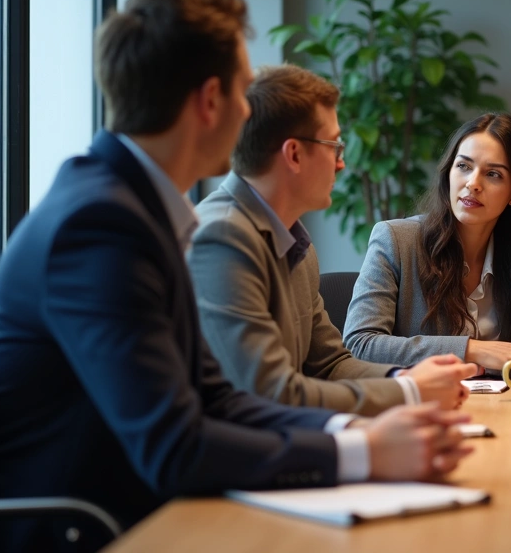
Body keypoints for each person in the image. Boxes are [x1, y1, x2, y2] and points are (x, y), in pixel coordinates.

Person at [0, 0, 472, 552]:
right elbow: (173, 446)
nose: (248, 110)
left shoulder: (134, 210)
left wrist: (365, 435)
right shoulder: (101, 227)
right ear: (210, 100)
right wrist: (361, 451)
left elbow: (220, 399)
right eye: (241, 89)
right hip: (88, 531)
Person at [188, 64, 475, 415]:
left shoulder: (296, 243)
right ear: (293, 154)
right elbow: (268, 392)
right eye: (334, 146)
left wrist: (406, 375)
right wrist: (410, 392)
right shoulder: (222, 237)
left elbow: (331, 364)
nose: (341, 164)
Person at [342, 113, 511, 375]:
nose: (473, 183)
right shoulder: (395, 240)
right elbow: (360, 344)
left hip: (508, 409)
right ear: (449, 172)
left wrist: (510, 359)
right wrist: (474, 351)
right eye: (464, 166)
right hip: (423, 408)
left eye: (493, 174)